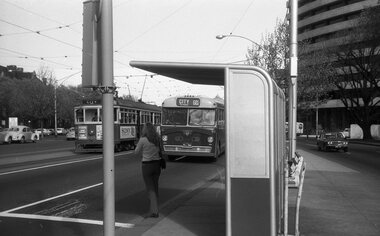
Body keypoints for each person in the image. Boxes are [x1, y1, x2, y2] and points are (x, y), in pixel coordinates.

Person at [135, 122, 162, 218]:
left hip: (147, 166)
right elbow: (160, 150)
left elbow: (136, 152)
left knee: (150, 189)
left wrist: (139, 146)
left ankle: (154, 212)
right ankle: (154, 208)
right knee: (155, 187)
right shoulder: (157, 139)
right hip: (157, 165)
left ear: (145, 130)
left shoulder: (142, 140)